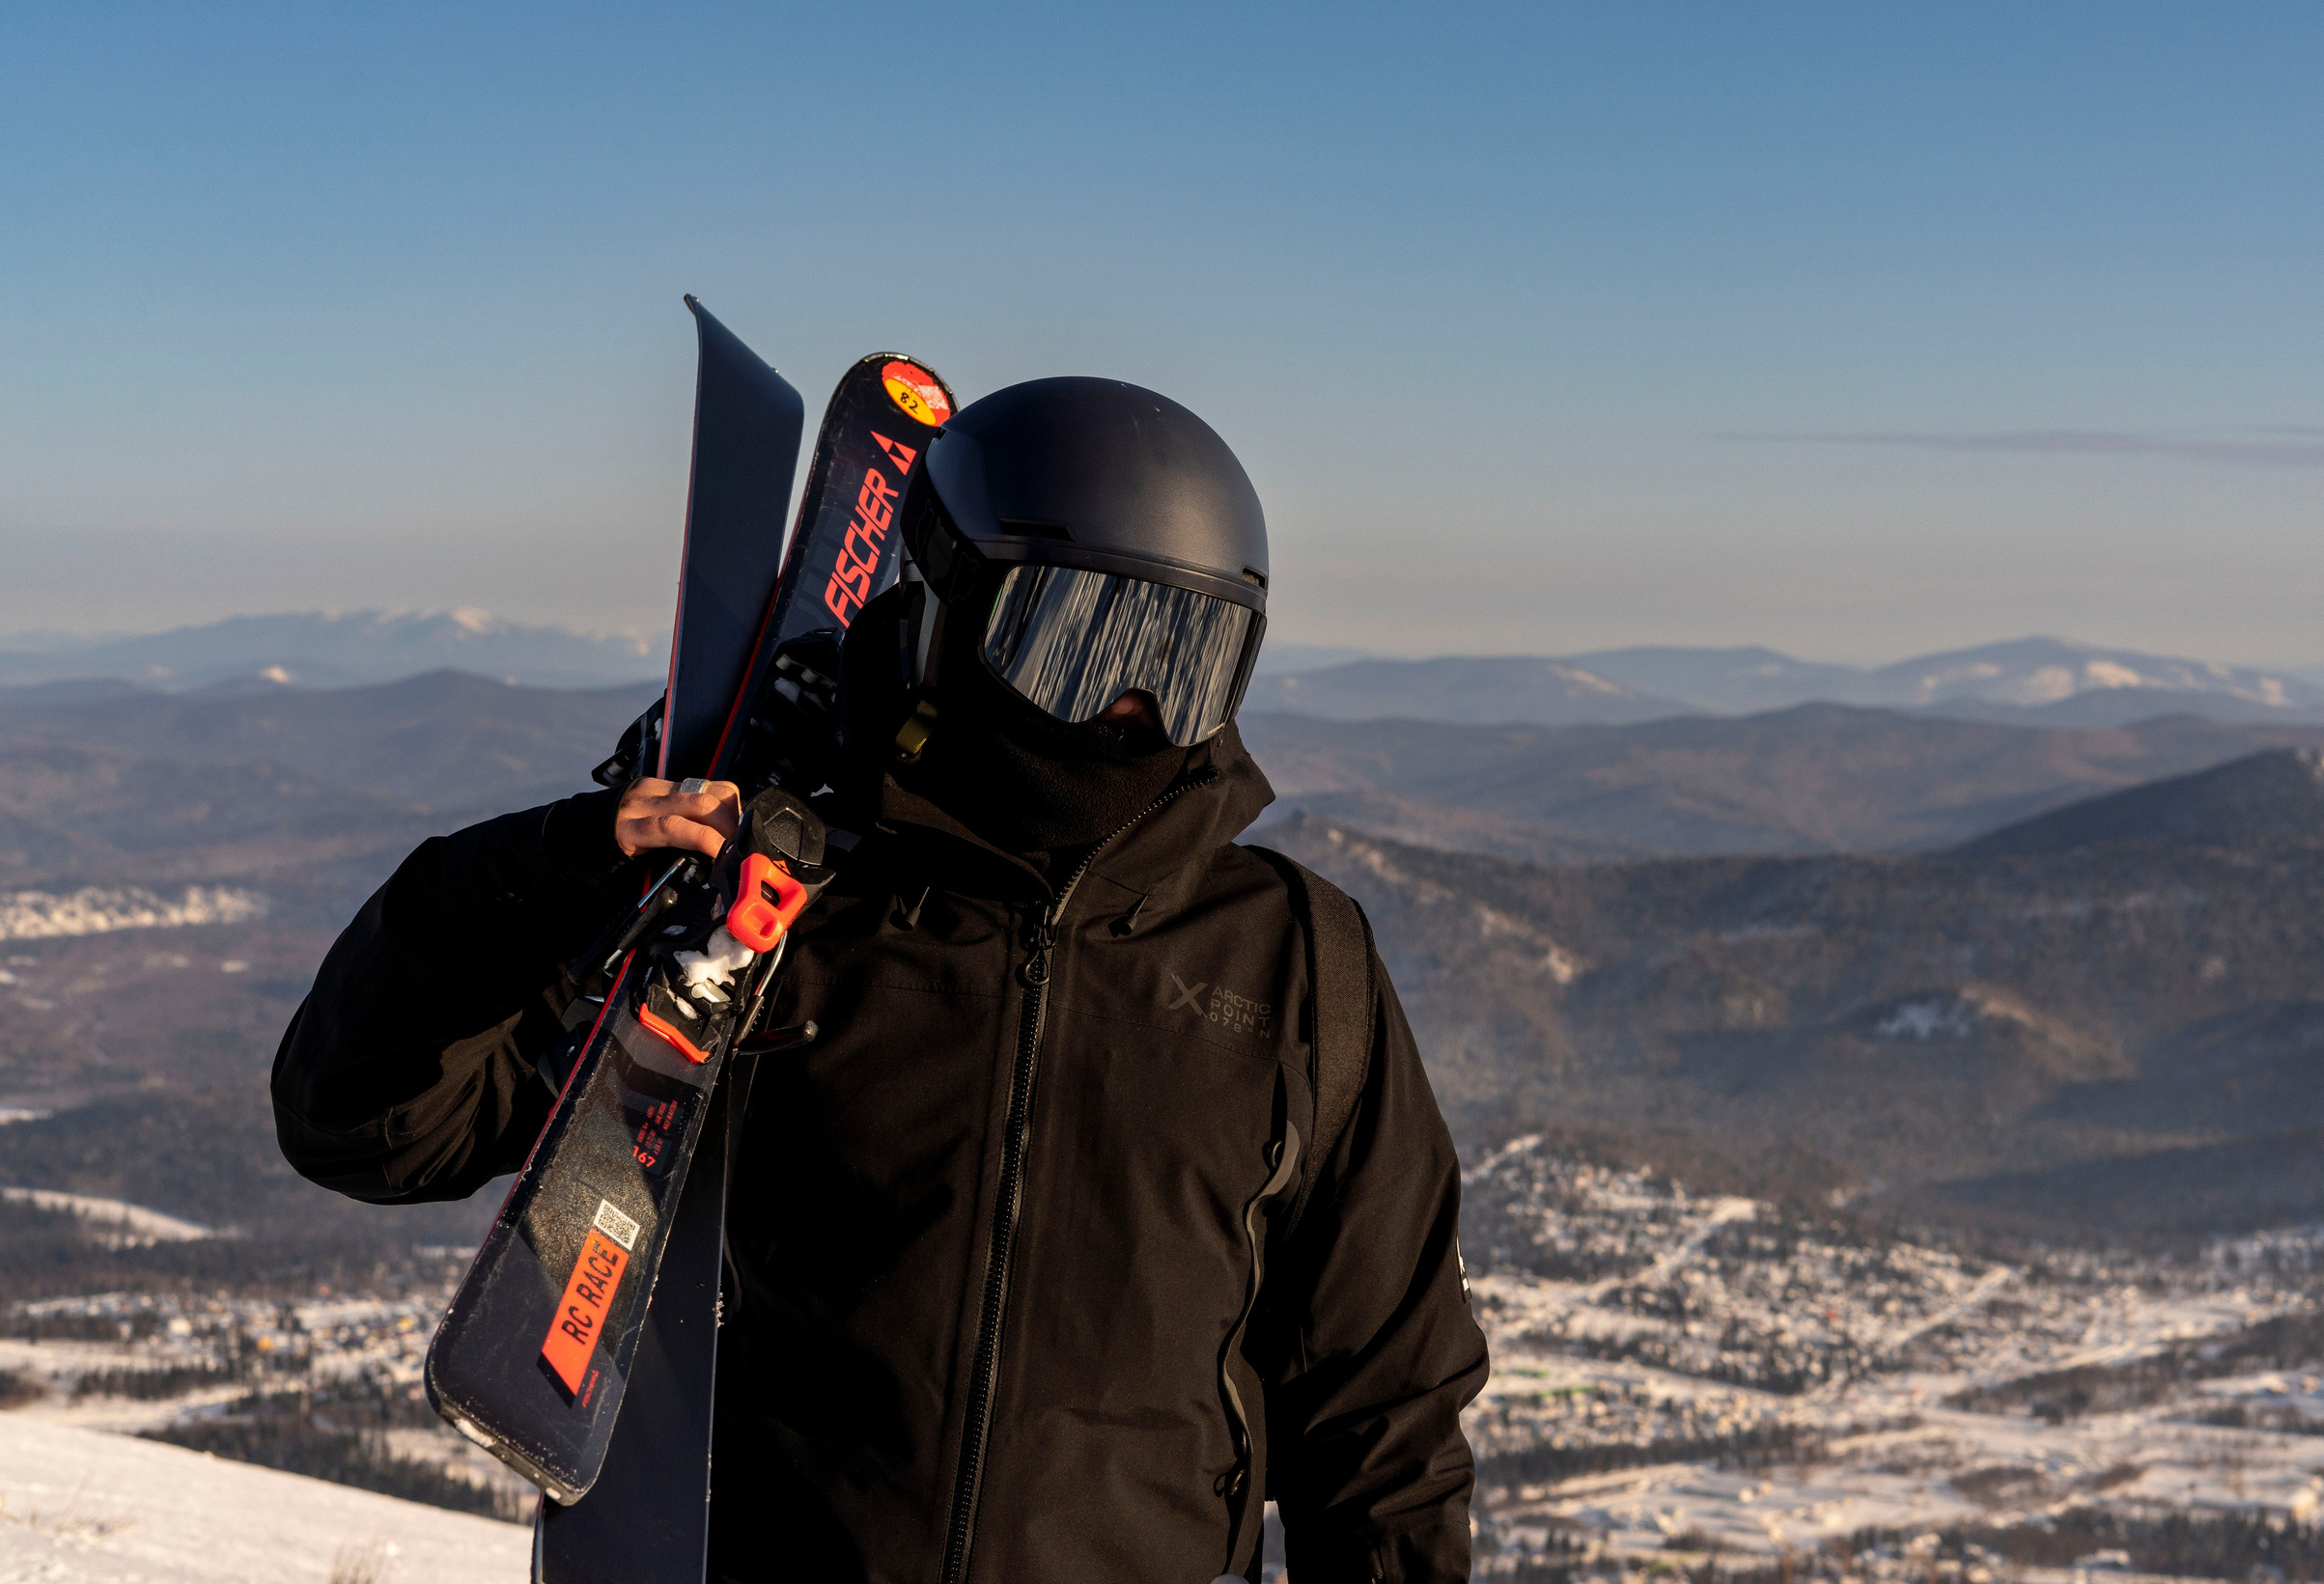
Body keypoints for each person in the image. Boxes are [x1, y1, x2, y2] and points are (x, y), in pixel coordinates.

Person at [271, 375, 1491, 1581]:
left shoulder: (1293, 966)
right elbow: (371, 1121)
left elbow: (1381, 1417)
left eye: (1189, 658)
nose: (1130, 708)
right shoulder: (771, 910)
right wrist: (553, 871)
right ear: (946, 610)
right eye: (1075, 646)